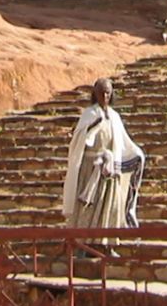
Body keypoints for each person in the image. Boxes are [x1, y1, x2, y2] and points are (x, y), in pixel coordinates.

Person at [61, 78, 146, 229]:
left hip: (109, 169)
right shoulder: (89, 114)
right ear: (95, 94)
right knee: (87, 206)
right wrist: (93, 125)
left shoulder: (115, 117)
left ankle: (107, 244)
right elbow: (79, 138)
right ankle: (82, 244)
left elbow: (123, 141)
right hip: (91, 168)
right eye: (101, 93)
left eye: (107, 93)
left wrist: (136, 154)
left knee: (110, 206)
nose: (105, 96)